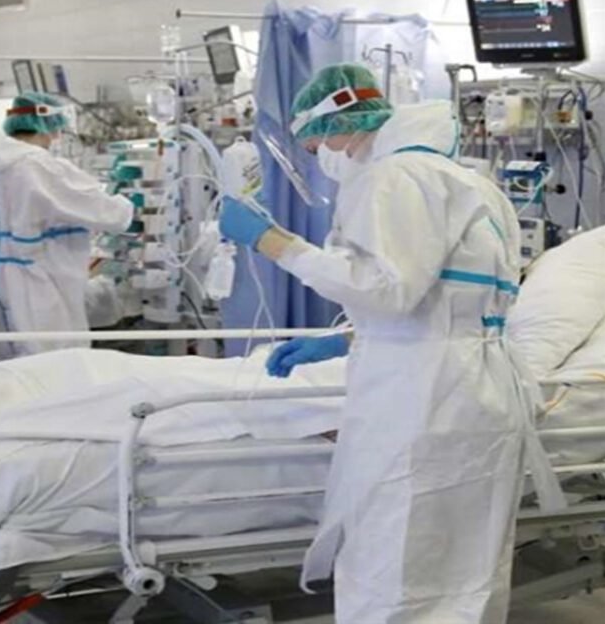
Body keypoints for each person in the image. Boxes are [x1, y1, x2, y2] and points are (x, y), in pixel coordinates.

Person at [220, 64, 564, 623]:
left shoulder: (394, 177)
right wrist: (346, 341)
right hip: (475, 392)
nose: (323, 157)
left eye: (317, 144)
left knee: (396, 556)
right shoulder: (472, 184)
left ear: (339, 124)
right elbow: (448, 300)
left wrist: (272, 241)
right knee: (465, 566)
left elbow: (386, 290)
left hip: (423, 398)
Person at [0, 92, 134, 356]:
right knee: (50, 360)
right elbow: (103, 211)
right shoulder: (38, 165)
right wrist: (129, 205)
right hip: (35, 281)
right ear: (50, 126)